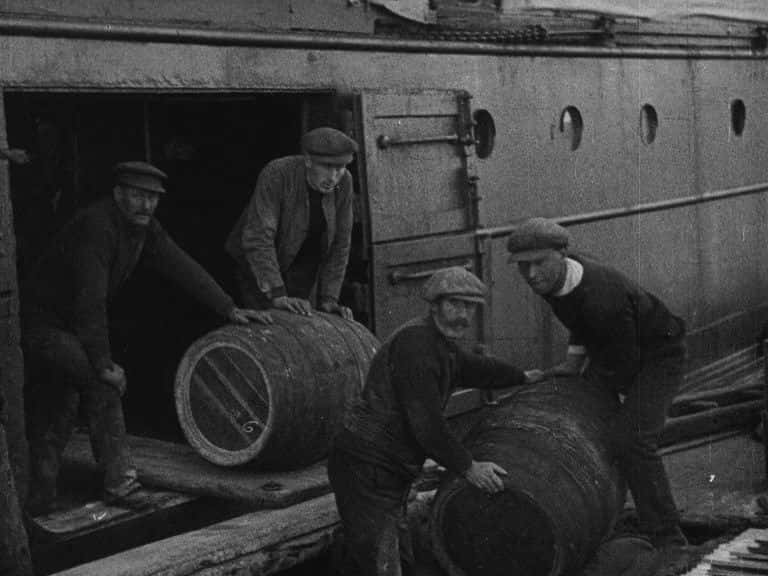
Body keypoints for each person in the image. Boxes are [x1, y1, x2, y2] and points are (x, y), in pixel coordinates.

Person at [23, 161, 272, 515]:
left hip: (69, 327)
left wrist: (228, 308)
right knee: (101, 385)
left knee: (60, 403)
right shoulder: (98, 226)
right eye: (139, 196)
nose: (147, 206)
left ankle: (40, 497)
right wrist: (104, 364)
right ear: (118, 193)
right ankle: (119, 485)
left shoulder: (144, 228)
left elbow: (180, 265)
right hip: (45, 325)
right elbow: (89, 303)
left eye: (153, 198)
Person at [328, 266, 539, 576]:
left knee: (392, 556)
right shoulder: (417, 346)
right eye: (455, 304)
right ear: (435, 305)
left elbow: (476, 368)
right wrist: (470, 467)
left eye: (470, 307)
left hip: (385, 468)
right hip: (368, 467)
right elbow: (426, 424)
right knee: (382, 564)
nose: (463, 315)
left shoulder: (440, 344)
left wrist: (524, 376)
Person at [505, 217, 688, 551]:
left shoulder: (603, 297)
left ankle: (668, 537)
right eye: (522, 266)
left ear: (562, 253)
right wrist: (573, 362)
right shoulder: (561, 278)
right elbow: (580, 321)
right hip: (622, 346)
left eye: (539, 263)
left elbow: (621, 366)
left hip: (659, 356)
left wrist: (612, 406)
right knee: (621, 429)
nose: (531, 274)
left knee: (632, 440)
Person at [225, 126, 357, 320]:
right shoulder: (277, 174)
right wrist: (277, 294)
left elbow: (340, 243)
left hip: (302, 270)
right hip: (258, 271)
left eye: (340, 168)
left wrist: (329, 298)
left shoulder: (344, 182)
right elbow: (259, 238)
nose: (333, 177)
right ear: (308, 160)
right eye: (327, 167)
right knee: (270, 329)